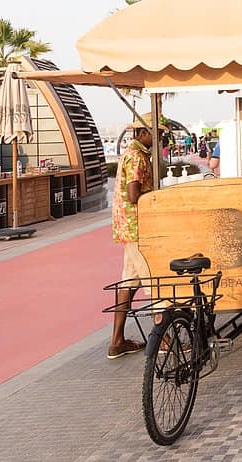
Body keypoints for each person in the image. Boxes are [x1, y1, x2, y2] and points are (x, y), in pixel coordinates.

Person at [108, 123, 156, 359]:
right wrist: (157, 196)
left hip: (128, 228)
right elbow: (134, 194)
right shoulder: (137, 157)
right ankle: (164, 339)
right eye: (157, 134)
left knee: (128, 285)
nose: (158, 139)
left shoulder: (129, 153)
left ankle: (117, 341)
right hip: (138, 228)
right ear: (144, 133)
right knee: (155, 281)